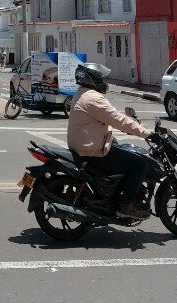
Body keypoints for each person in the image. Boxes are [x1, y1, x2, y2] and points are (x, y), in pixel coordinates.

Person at [65, 62, 153, 220]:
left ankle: (112, 193)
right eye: (102, 79)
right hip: (91, 152)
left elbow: (110, 118)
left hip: (84, 146)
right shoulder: (93, 98)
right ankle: (126, 205)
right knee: (139, 164)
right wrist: (146, 133)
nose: (105, 83)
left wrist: (132, 125)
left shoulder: (82, 93)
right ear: (93, 80)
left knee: (120, 147)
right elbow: (117, 119)